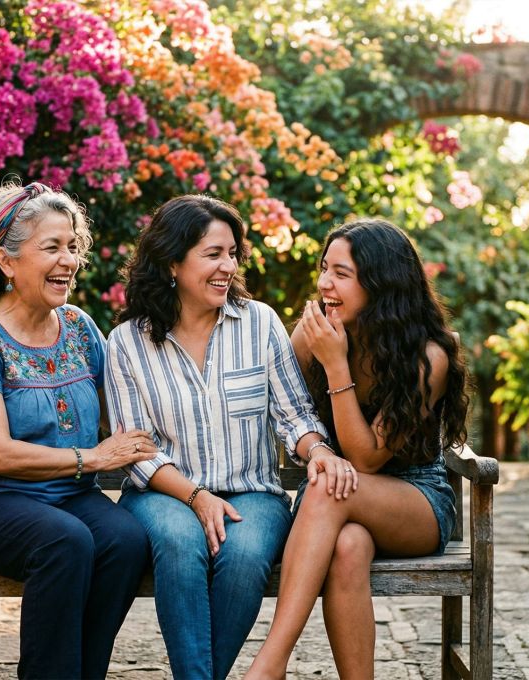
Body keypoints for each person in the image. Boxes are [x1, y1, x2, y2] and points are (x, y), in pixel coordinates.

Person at [105, 194, 351, 680]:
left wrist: (318, 449)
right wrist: (196, 497)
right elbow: (137, 452)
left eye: (232, 253)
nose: (227, 266)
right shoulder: (127, 343)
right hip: (161, 495)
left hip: (252, 492)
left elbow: (293, 414)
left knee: (242, 555)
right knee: (180, 544)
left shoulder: (259, 322)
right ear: (172, 261)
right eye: (212, 254)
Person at [0, 180, 157, 680]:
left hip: (62, 497)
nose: (69, 259)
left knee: (126, 539)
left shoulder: (77, 326)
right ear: (6, 262)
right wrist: (93, 459)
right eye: (51, 247)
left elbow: (121, 405)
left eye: (73, 246)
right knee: (65, 542)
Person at [245, 218, 470, 679]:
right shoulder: (314, 333)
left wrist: (335, 365)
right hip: (339, 502)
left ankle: (270, 664)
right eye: (325, 268)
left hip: (414, 501)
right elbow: (287, 413)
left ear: (380, 284)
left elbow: (366, 457)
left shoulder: (428, 355)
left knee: (330, 487)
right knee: (347, 547)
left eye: (341, 273)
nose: (325, 283)